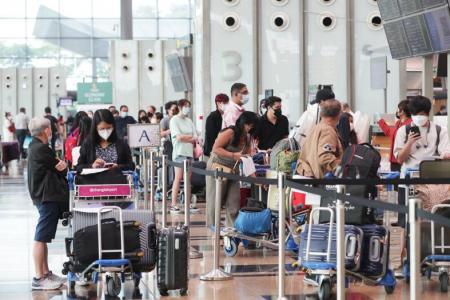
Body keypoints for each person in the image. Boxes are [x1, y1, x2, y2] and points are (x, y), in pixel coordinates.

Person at [394, 96, 450, 227]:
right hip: (408, 182)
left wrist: (445, 155)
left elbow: (445, 152)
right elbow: (399, 159)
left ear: (428, 113)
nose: (419, 117)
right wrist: (409, 143)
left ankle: (434, 240)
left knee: (436, 215)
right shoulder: (403, 131)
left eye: (422, 114)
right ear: (411, 115)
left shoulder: (440, 130)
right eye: (415, 114)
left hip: (433, 183)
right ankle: (407, 245)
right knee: (406, 222)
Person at [27, 117, 68, 290]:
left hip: (43, 196)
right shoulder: (42, 149)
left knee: (44, 238)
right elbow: (61, 167)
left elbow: (59, 167)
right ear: (46, 130)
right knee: (40, 236)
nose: (52, 131)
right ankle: (39, 278)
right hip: (46, 196)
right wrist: (62, 166)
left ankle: (45, 273)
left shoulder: (34, 147)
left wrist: (61, 166)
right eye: (50, 128)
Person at [206, 111, 259, 227]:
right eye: (248, 124)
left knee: (234, 202)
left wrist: (256, 179)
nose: (250, 128)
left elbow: (247, 159)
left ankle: (232, 230)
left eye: (252, 126)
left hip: (233, 171)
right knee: (215, 201)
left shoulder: (248, 138)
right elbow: (215, 149)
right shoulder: (230, 132)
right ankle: (214, 228)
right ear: (243, 122)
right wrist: (234, 155)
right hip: (218, 167)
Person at [296, 99, 343, 178]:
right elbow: (325, 158)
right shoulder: (327, 130)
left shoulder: (315, 128)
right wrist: (344, 167)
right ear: (338, 115)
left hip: (310, 176)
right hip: (322, 181)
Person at [169, 99, 198, 213]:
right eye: (186, 106)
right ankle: (173, 203)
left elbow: (195, 136)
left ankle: (188, 202)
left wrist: (189, 138)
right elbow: (179, 137)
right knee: (178, 177)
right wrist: (191, 138)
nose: (187, 108)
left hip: (189, 153)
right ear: (180, 107)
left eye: (189, 106)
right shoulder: (174, 120)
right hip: (179, 152)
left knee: (188, 180)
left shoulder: (189, 120)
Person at [378, 100, 412, 172]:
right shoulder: (398, 123)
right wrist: (381, 122)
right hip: (394, 159)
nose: (396, 110)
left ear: (402, 111)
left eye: (398, 108)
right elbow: (390, 133)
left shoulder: (410, 124)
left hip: (404, 160)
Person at [203, 93, 229, 158]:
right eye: (224, 103)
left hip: (224, 150)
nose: (227, 105)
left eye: (227, 103)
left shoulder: (227, 116)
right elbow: (211, 137)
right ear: (218, 103)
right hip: (213, 151)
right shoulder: (212, 117)